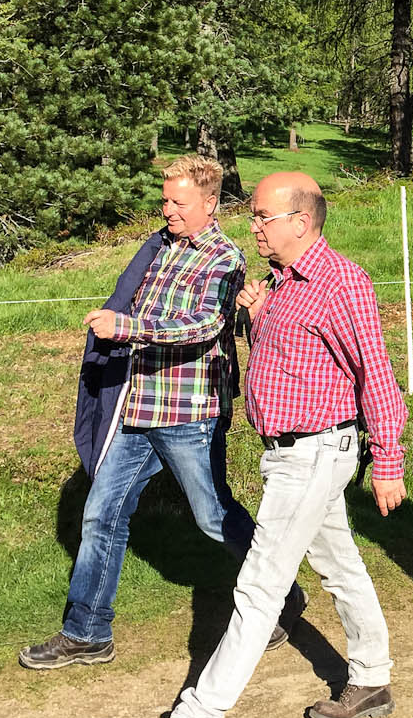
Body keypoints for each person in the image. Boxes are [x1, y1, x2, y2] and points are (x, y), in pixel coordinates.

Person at [115, 171, 407, 718]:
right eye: (253, 216)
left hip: (316, 453)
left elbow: (375, 373)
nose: (253, 227)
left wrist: (388, 459)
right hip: (289, 454)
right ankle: (373, 679)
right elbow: (289, 359)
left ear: (300, 221)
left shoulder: (341, 282)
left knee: (258, 587)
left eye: (263, 217)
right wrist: (257, 314)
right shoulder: (280, 282)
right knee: (340, 566)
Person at [20, 156, 304, 670]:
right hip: (137, 408)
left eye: (179, 202)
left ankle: (281, 597)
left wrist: (126, 328)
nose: (168, 209)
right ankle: (87, 633)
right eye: (165, 200)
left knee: (214, 517)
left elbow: (203, 326)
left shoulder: (225, 259)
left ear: (209, 203)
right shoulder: (159, 249)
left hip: (188, 413)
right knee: (101, 514)